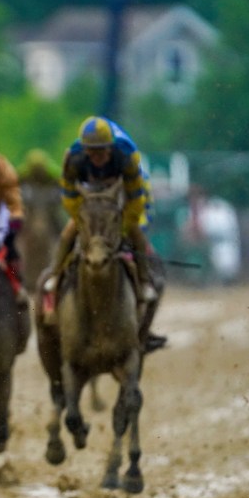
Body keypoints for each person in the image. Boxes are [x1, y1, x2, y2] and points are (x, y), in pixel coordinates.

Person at [41, 116, 167, 352]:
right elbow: (68, 197)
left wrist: (120, 227)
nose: (98, 157)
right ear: (86, 151)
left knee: (136, 233)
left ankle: (144, 281)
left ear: (111, 148)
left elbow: (136, 200)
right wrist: (83, 222)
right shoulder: (74, 158)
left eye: (103, 152)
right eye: (93, 152)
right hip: (88, 204)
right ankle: (55, 277)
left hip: (120, 201)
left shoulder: (126, 156)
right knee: (69, 233)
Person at [0, 150, 28, 306]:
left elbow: (13, 193)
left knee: (9, 250)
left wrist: (15, 217)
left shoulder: (1, 167)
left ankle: (17, 284)